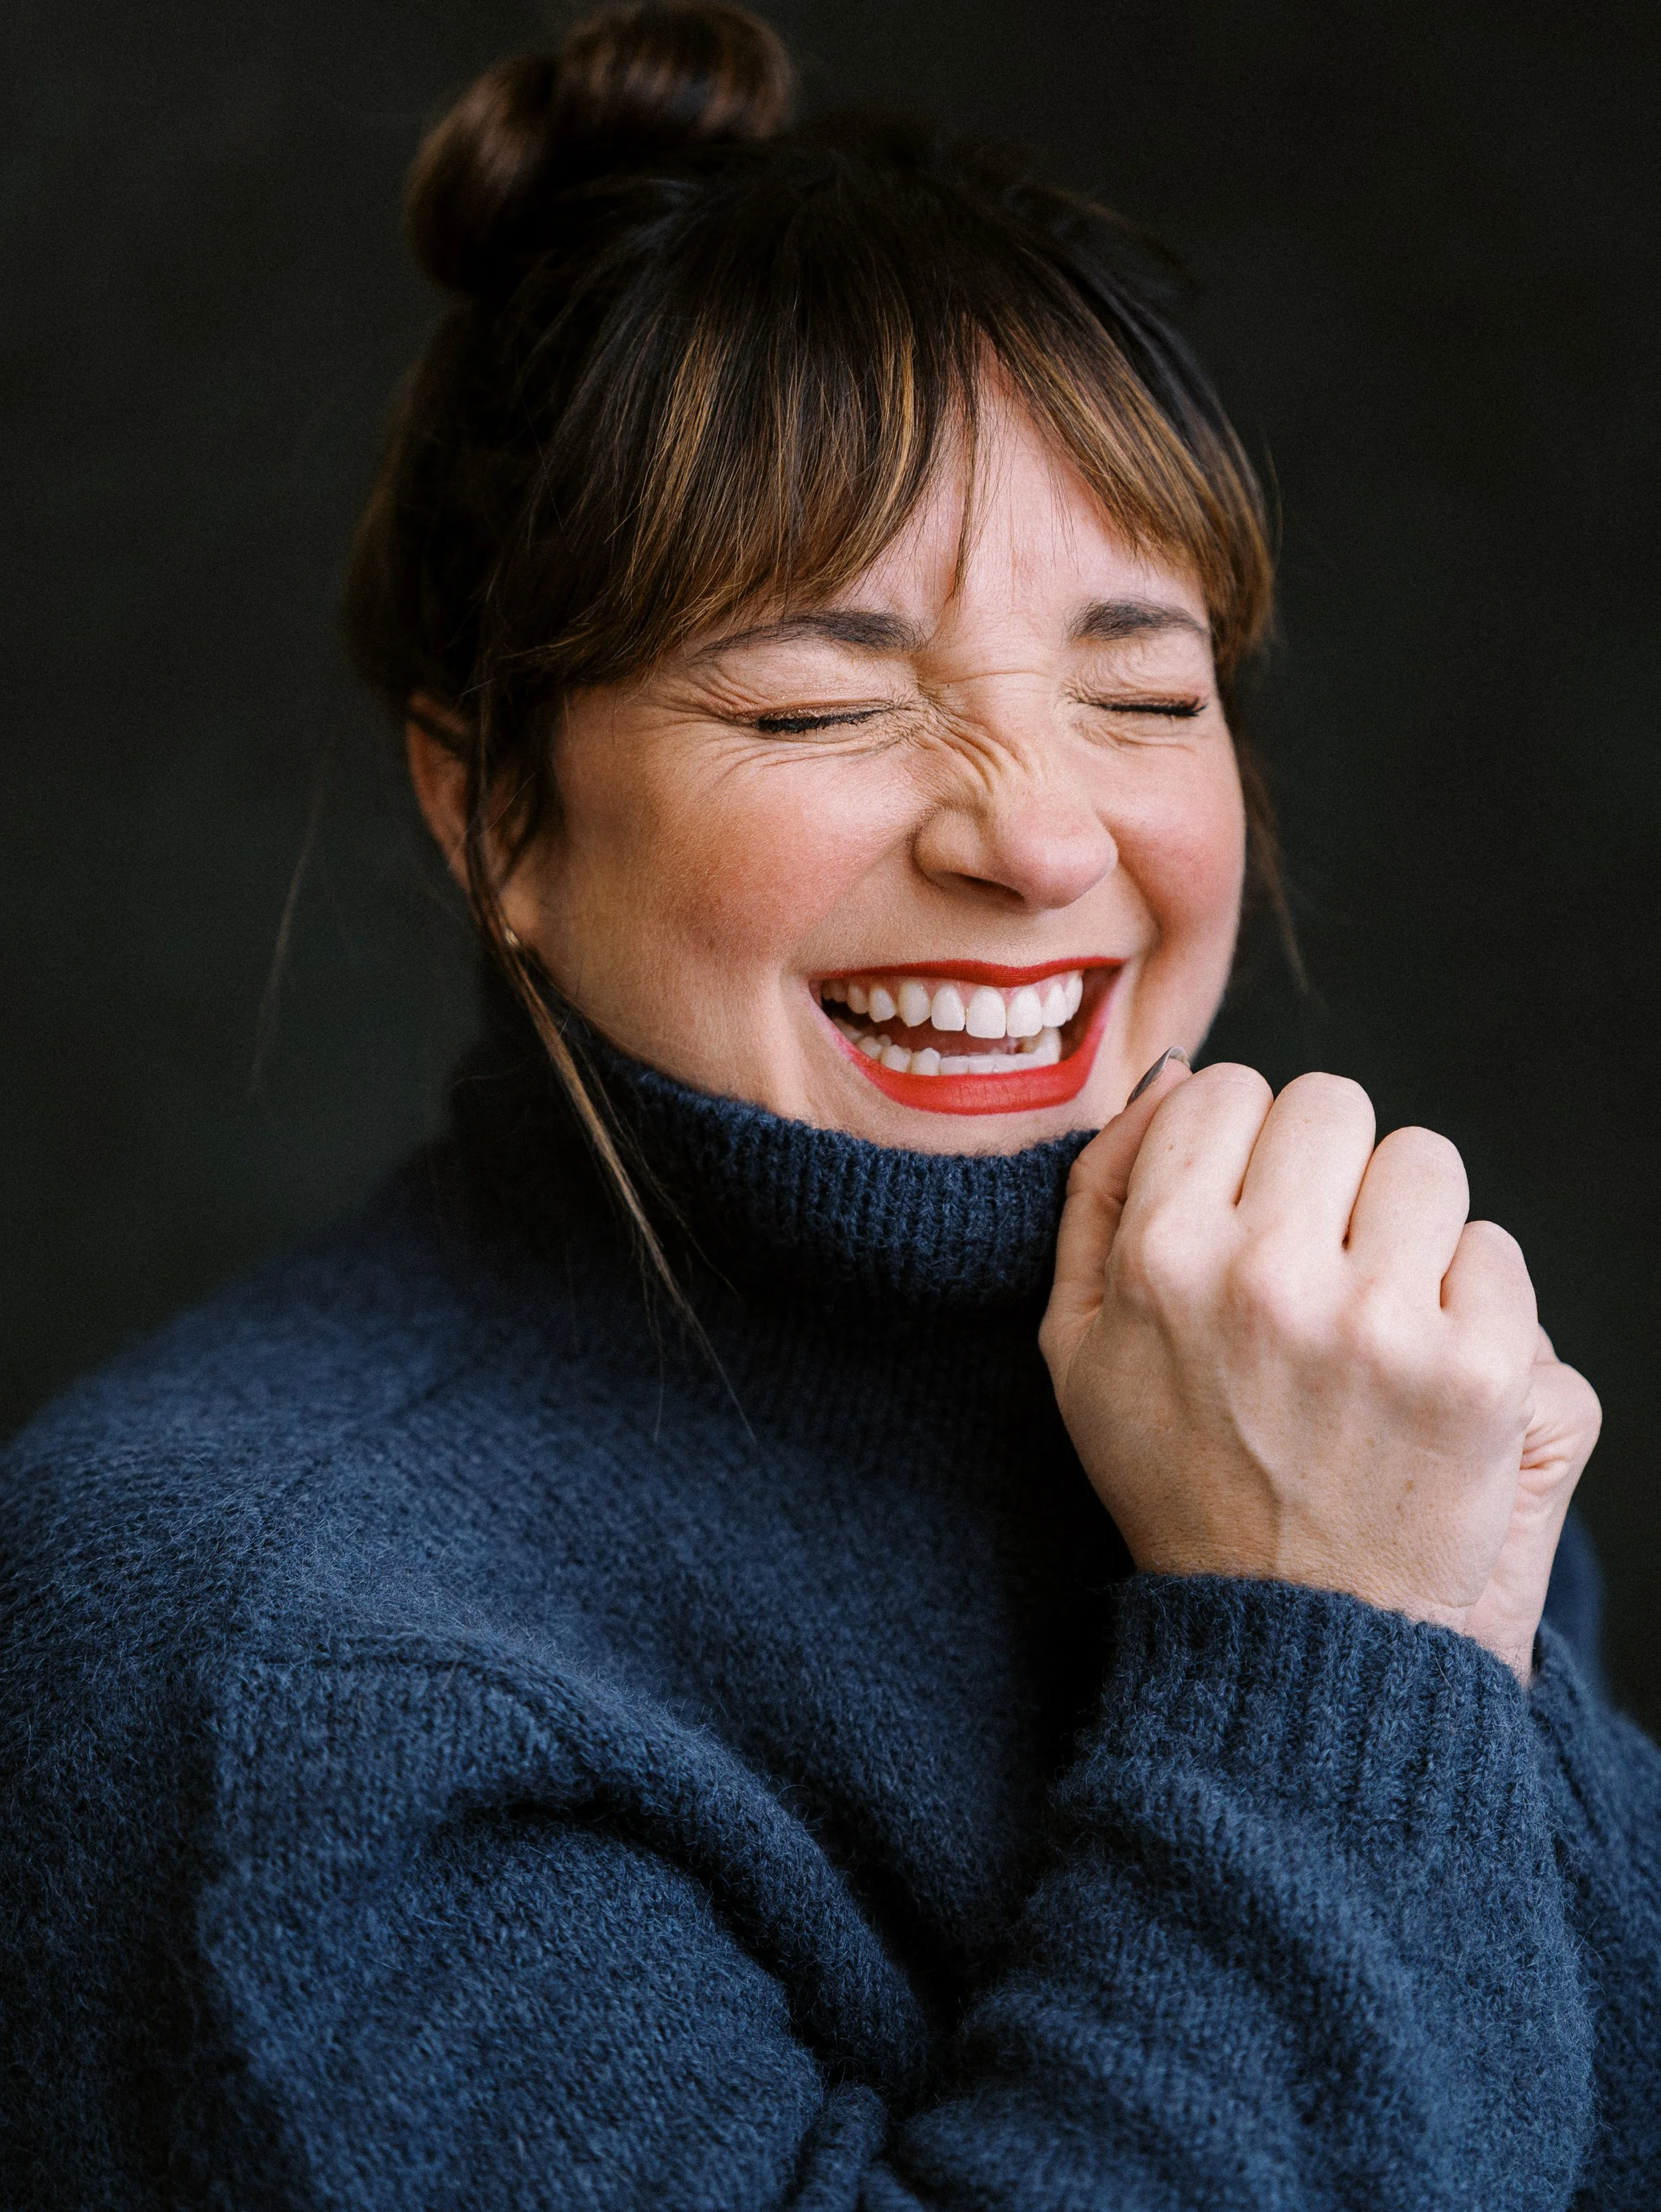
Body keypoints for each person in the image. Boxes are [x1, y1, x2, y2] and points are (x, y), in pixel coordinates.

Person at [3, 5, 1657, 2203]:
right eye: (810, 701)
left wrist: (1425, 1583)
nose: (1041, 841)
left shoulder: (1327, 1391)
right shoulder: (257, 1649)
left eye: (1142, 691)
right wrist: (1325, 1645)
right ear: (487, 803)